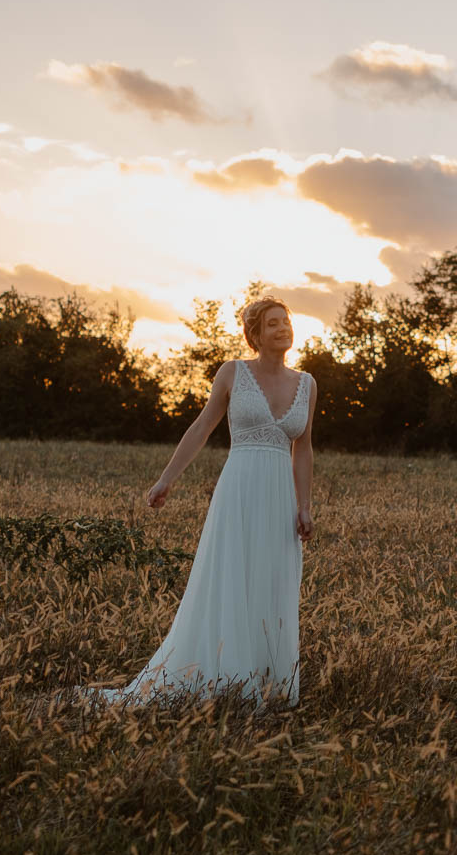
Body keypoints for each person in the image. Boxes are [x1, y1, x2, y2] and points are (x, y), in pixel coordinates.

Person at [93, 297, 316, 707]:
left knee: (272, 581)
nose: (282, 328)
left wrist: (304, 506)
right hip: (239, 491)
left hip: (279, 498)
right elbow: (201, 428)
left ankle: (268, 681)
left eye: (286, 321)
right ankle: (227, 678)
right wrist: (166, 479)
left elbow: (303, 448)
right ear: (255, 335)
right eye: (272, 323)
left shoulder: (307, 383)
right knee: (233, 578)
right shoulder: (232, 373)